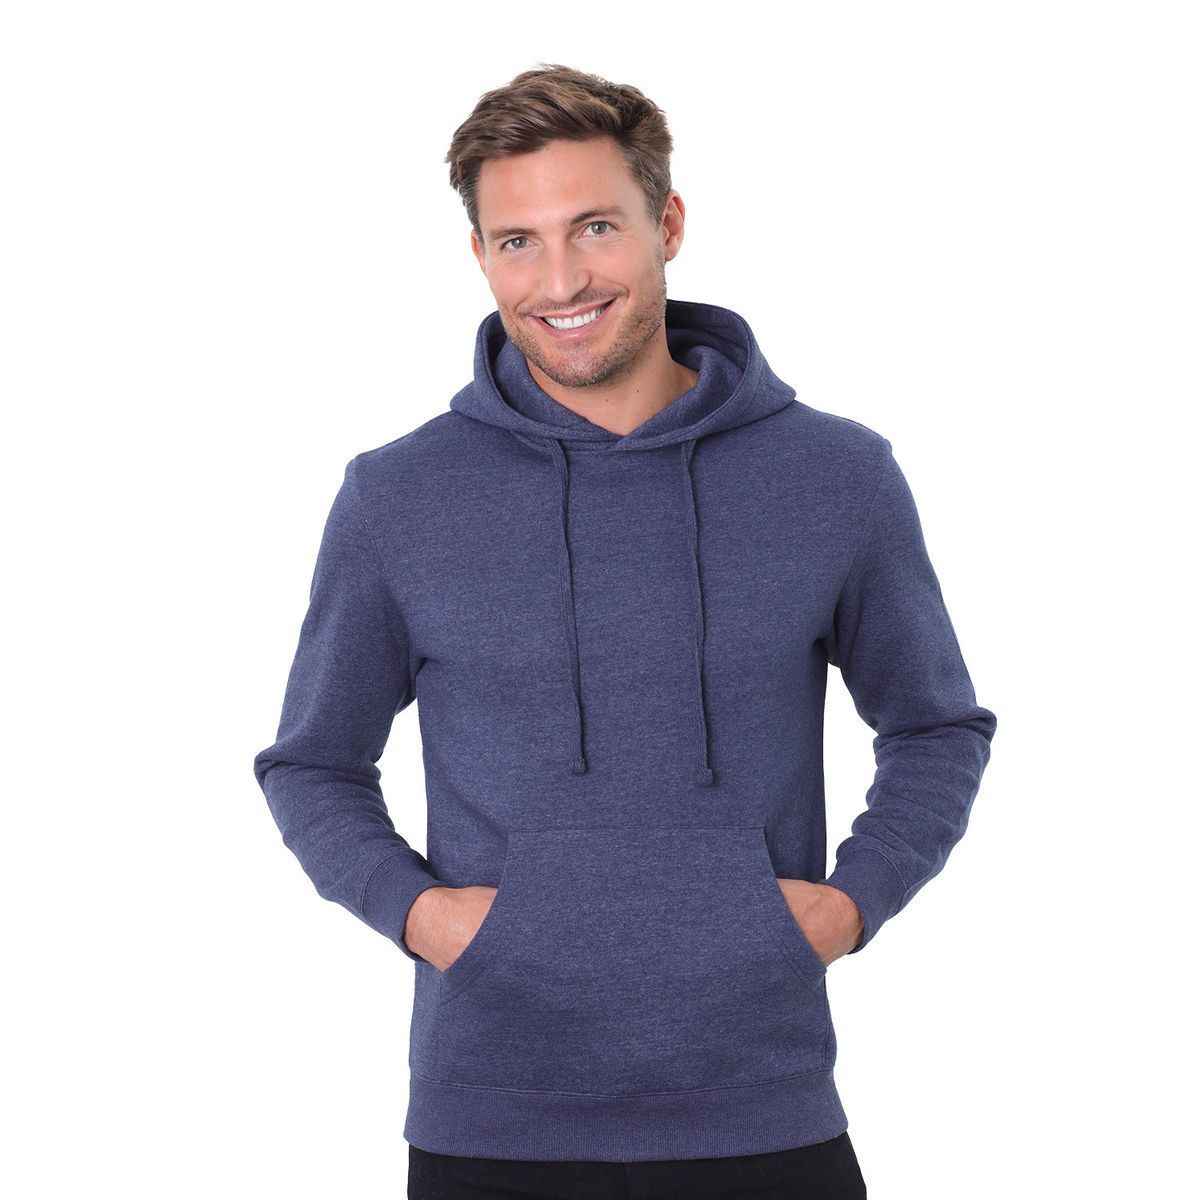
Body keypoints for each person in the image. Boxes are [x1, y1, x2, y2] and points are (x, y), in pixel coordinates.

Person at [253, 63, 997, 1200]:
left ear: (669, 225)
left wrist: (852, 904)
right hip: (492, 1119)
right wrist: (423, 917)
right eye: (519, 241)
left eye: (595, 227)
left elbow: (936, 726)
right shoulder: (399, 496)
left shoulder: (835, 475)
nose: (560, 280)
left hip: (763, 1104)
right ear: (480, 255)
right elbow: (312, 763)